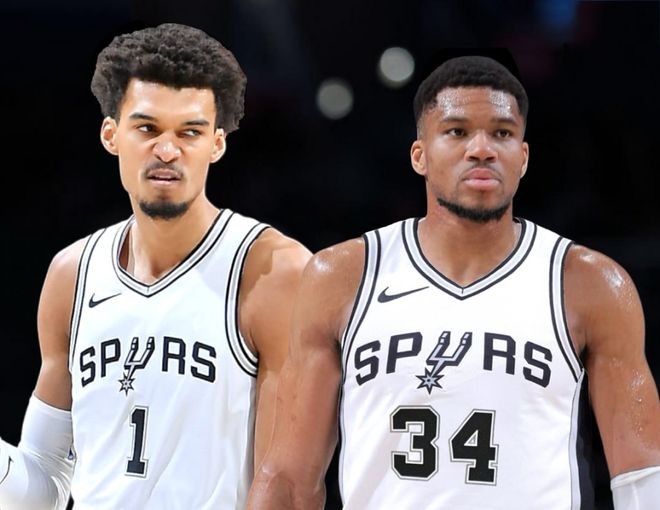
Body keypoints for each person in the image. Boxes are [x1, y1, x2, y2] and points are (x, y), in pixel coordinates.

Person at [247, 56, 660, 509]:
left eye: (502, 133)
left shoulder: (588, 283)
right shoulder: (342, 277)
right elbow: (289, 479)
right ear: (419, 156)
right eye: (457, 132)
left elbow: (643, 474)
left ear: (523, 158)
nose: (481, 149)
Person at [0, 23, 310, 509]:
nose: (167, 150)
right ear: (111, 135)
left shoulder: (272, 271)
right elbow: (40, 488)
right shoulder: (72, 275)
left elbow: (286, 484)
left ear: (217, 144)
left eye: (190, 132)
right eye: (147, 129)